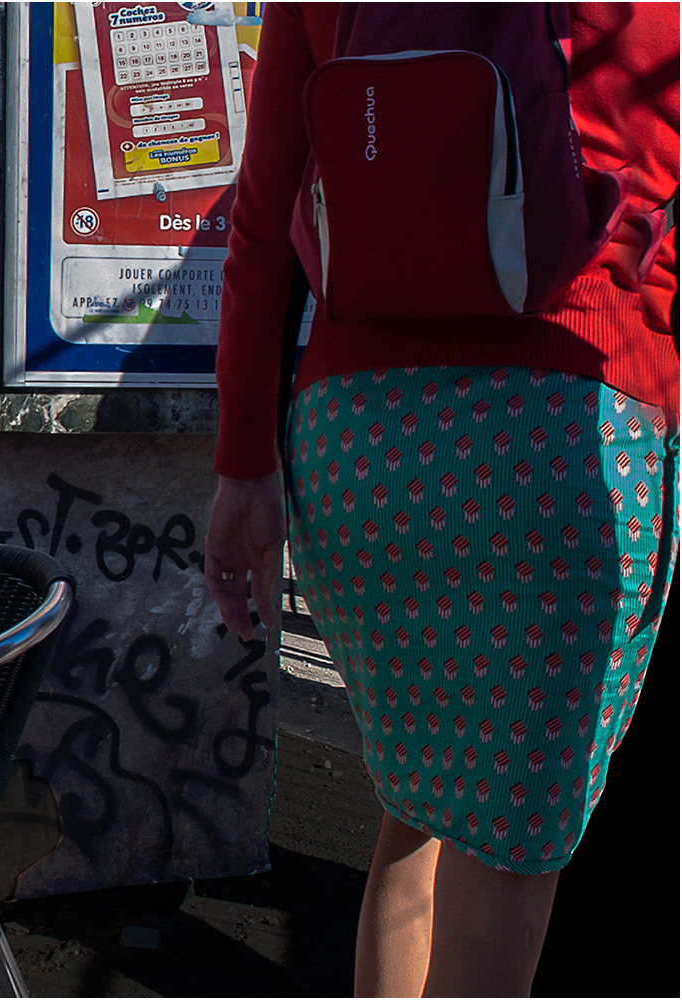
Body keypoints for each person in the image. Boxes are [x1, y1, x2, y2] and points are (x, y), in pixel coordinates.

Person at [204, 4, 677, 996]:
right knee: (512, 846)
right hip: (566, 430)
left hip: (361, 445)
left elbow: (260, 225)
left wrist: (243, 464)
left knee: (415, 802)